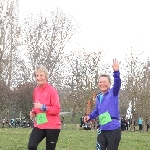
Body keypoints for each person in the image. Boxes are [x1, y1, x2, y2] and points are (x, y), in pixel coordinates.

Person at [84, 59, 121, 150]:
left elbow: (118, 83)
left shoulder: (113, 92)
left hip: (113, 128)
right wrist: (89, 117)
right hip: (102, 128)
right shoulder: (98, 97)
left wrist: (116, 72)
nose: (102, 84)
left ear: (109, 83)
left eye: (105, 82)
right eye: (100, 82)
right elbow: (96, 111)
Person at [28, 65, 61, 150]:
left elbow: (57, 110)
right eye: (37, 75)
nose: (39, 78)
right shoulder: (36, 90)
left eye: (41, 75)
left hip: (52, 126)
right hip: (40, 124)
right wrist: (33, 112)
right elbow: (36, 106)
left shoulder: (52, 91)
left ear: (46, 76)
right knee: (31, 146)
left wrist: (43, 107)